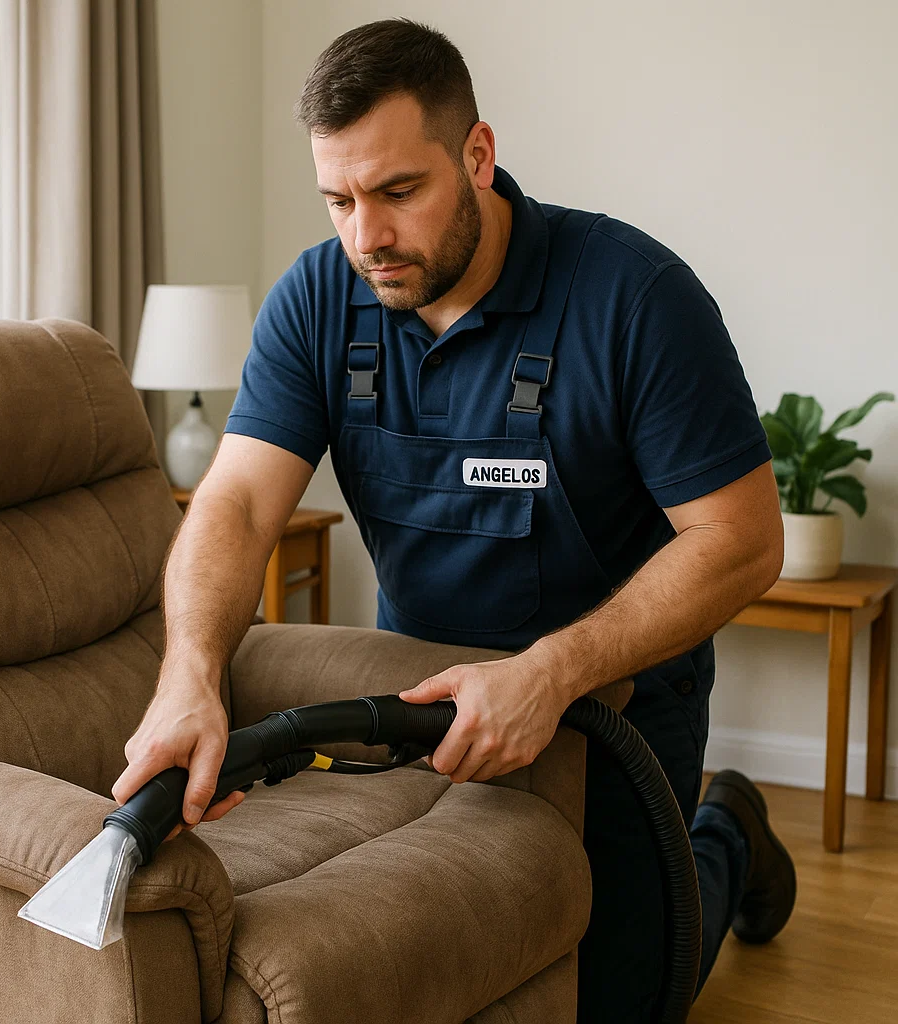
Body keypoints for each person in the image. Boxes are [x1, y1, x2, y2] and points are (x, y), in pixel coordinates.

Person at [113, 18, 796, 1021]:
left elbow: (744, 541)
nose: (365, 236)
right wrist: (187, 678)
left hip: (612, 703)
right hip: (422, 706)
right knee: (456, 955)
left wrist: (549, 672)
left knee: (622, 1001)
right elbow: (237, 498)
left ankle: (727, 830)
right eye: (338, 200)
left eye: (397, 192)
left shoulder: (634, 296)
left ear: (477, 155)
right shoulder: (317, 298)